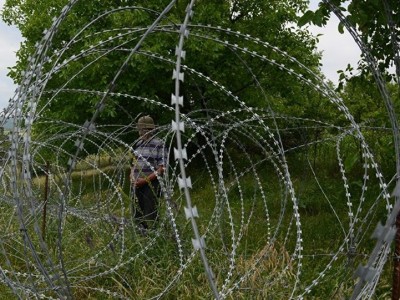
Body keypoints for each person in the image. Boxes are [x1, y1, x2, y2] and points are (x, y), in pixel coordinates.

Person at [130, 115, 166, 230]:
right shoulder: (138, 143)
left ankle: (154, 233)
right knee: (137, 212)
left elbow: (161, 168)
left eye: (144, 129)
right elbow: (134, 163)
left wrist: (145, 180)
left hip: (151, 184)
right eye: (140, 129)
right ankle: (141, 234)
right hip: (136, 184)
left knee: (150, 211)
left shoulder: (158, 143)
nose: (141, 132)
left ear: (150, 129)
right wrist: (132, 176)